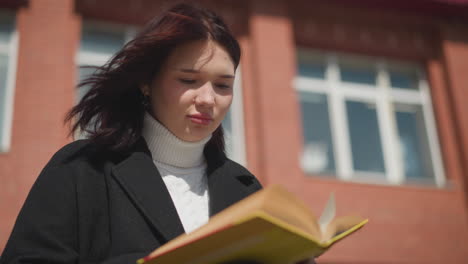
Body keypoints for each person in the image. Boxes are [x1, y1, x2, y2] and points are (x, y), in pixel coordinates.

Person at [0, 3, 315, 264]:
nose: (207, 99)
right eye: (188, 80)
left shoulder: (248, 191)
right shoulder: (82, 171)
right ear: (146, 81)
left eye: (222, 85)